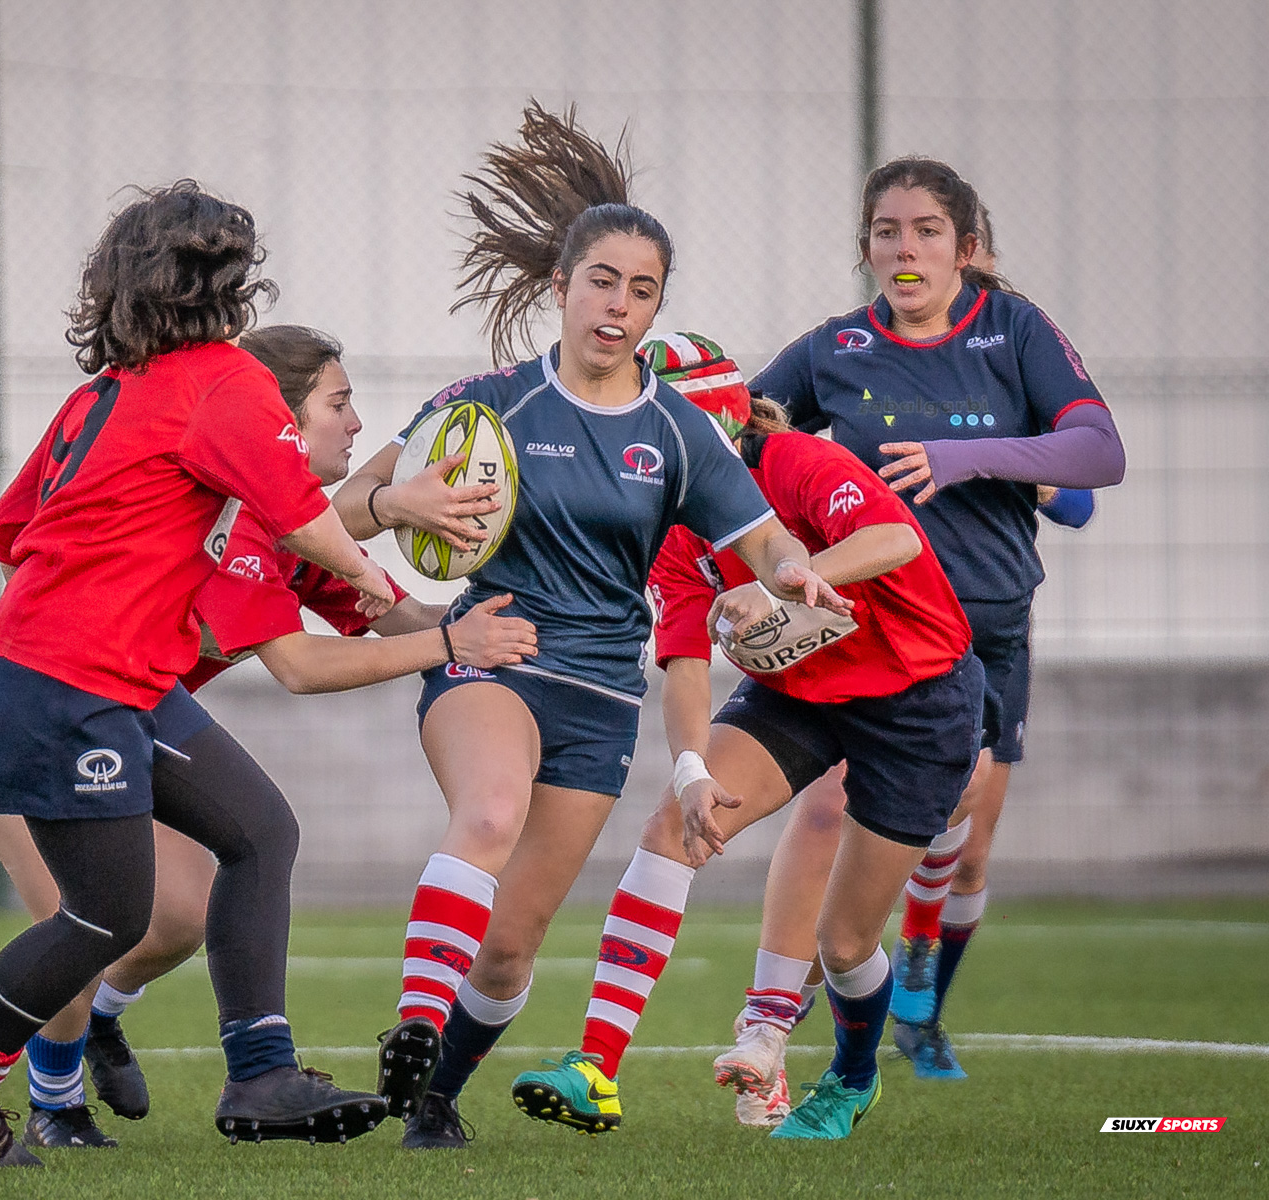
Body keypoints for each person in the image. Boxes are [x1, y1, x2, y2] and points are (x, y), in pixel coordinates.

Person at [330, 102, 849, 1150]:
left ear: (657, 306)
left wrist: (796, 574)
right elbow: (336, 515)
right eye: (602, 281)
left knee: (510, 949)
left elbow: (762, 543)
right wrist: (395, 503)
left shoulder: (681, 430)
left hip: (604, 697)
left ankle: (435, 1101)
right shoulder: (486, 403)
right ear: (561, 286)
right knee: (487, 816)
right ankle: (416, 1032)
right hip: (495, 659)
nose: (618, 305)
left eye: (641, 289)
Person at [0, 181, 401, 1168]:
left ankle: (260, 1075)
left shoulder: (102, 394)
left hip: (96, 678)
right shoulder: (226, 381)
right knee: (108, 917)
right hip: (68, 684)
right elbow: (301, 517)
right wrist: (368, 573)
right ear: (227, 284)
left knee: (260, 831)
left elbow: (11, 530)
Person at [0, 325, 537, 1150]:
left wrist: (505, 619)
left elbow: (396, 615)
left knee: (187, 906)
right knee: (91, 923)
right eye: (338, 403)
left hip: (130, 696)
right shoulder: (232, 501)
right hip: (38, 697)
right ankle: (51, 1104)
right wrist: (443, 636)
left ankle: (218, 1058)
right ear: (277, 419)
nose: (357, 423)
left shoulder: (277, 517)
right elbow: (300, 665)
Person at [704, 170, 1124, 1106]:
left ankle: (921, 985)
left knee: (961, 839)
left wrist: (971, 457)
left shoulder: (1015, 332)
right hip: (874, 634)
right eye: (886, 231)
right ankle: (771, 1021)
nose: (905, 248)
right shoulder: (835, 348)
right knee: (828, 812)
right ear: (866, 248)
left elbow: (1099, 459)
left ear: (965, 248)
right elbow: (731, 440)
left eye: (927, 230)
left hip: (986, 629)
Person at [510, 347, 985, 1140]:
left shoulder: (795, 461)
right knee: (672, 825)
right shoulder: (670, 522)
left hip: (919, 700)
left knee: (844, 945)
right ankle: (594, 1067)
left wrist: (774, 584)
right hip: (797, 692)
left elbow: (894, 541)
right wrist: (691, 770)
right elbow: (686, 662)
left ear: (717, 421)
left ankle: (852, 1079)